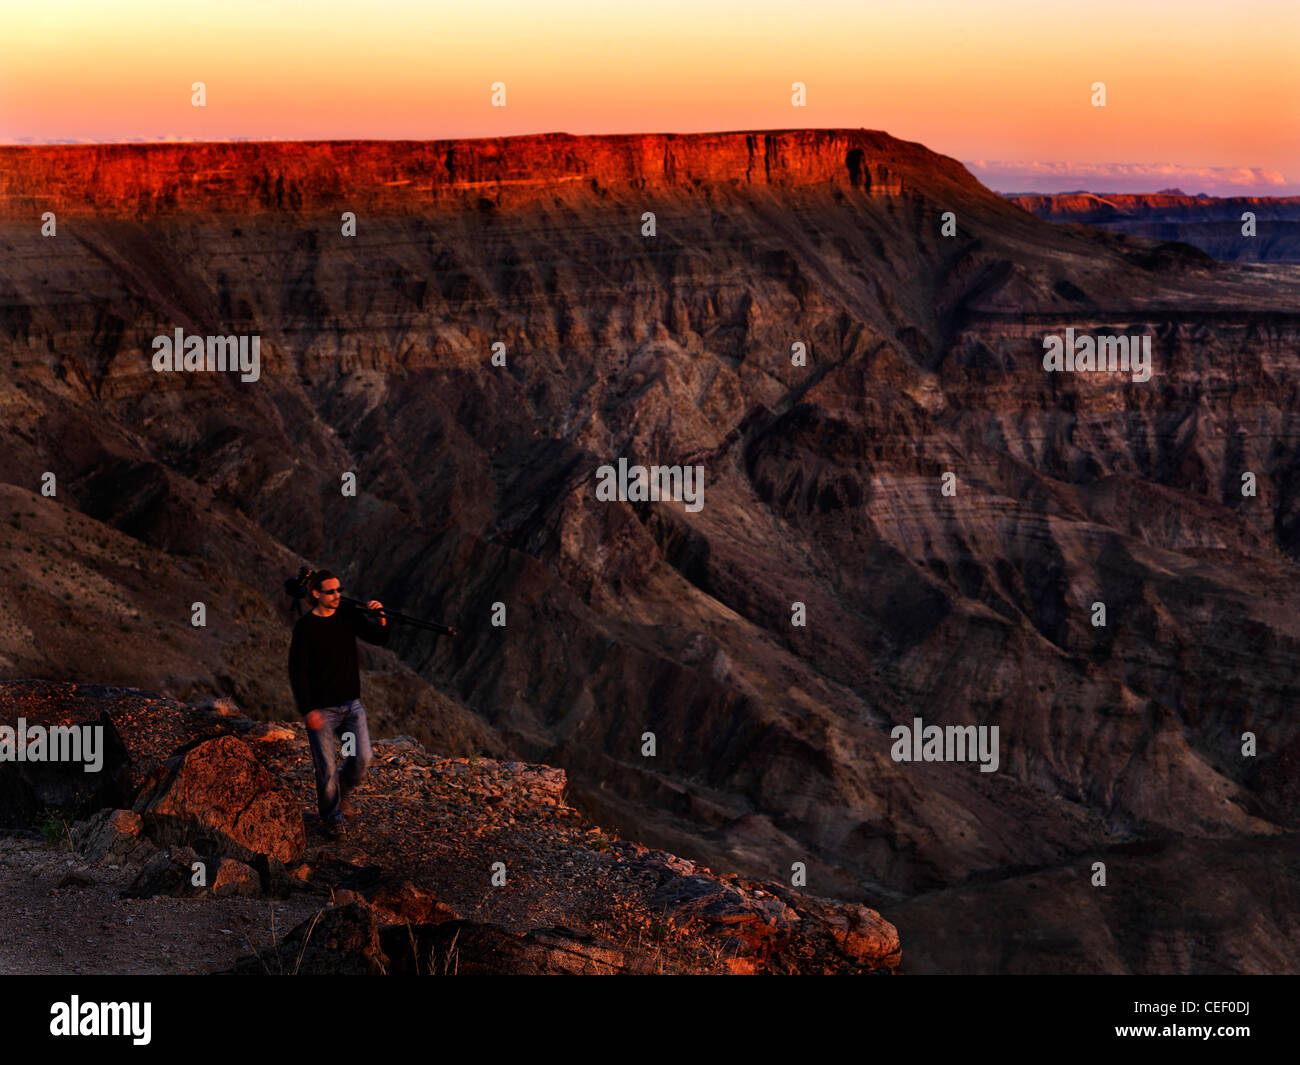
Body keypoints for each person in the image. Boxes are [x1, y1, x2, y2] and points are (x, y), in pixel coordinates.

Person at [287, 570, 388, 840]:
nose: (337, 595)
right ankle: (331, 817)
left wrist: (379, 617)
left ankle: (339, 794)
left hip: (351, 706)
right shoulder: (305, 628)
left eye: (339, 590)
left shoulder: (348, 615)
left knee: (362, 758)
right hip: (322, 710)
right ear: (316, 594)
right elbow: (297, 672)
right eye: (331, 591)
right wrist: (308, 710)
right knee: (326, 768)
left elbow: (378, 638)